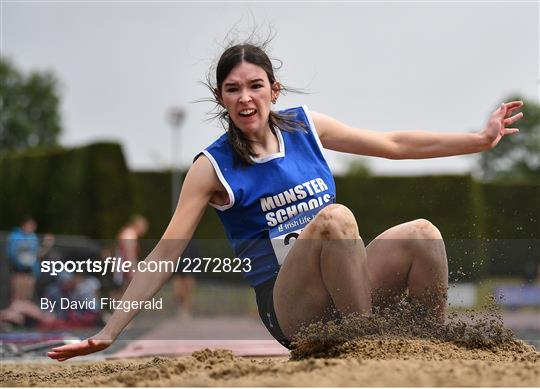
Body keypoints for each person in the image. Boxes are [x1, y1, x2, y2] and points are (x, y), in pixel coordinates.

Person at [48, 41, 523, 360]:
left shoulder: (304, 126)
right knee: (334, 220)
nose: (246, 98)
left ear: (273, 91)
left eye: (255, 86)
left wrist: (478, 141)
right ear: (222, 98)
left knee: (423, 232)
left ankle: (429, 348)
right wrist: (110, 331)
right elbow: (167, 251)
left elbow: (394, 143)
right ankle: (367, 351)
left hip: (349, 285)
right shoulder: (210, 168)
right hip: (292, 306)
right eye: (233, 90)